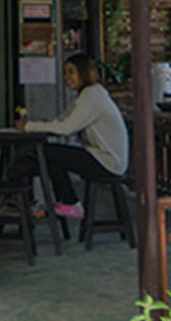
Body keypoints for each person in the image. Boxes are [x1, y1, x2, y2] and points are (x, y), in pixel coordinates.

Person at [22, 52, 129, 219]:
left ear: (84, 72)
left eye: (71, 72)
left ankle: (63, 202)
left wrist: (28, 126)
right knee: (49, 158)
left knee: (44, 152)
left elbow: (65, 128)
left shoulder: (92, 96)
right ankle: (64, 203)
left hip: (107, 162)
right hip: (104, 159)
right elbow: (63, 119)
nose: (67, 77)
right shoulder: (89, 94)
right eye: (65, 73)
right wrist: (43, 124)